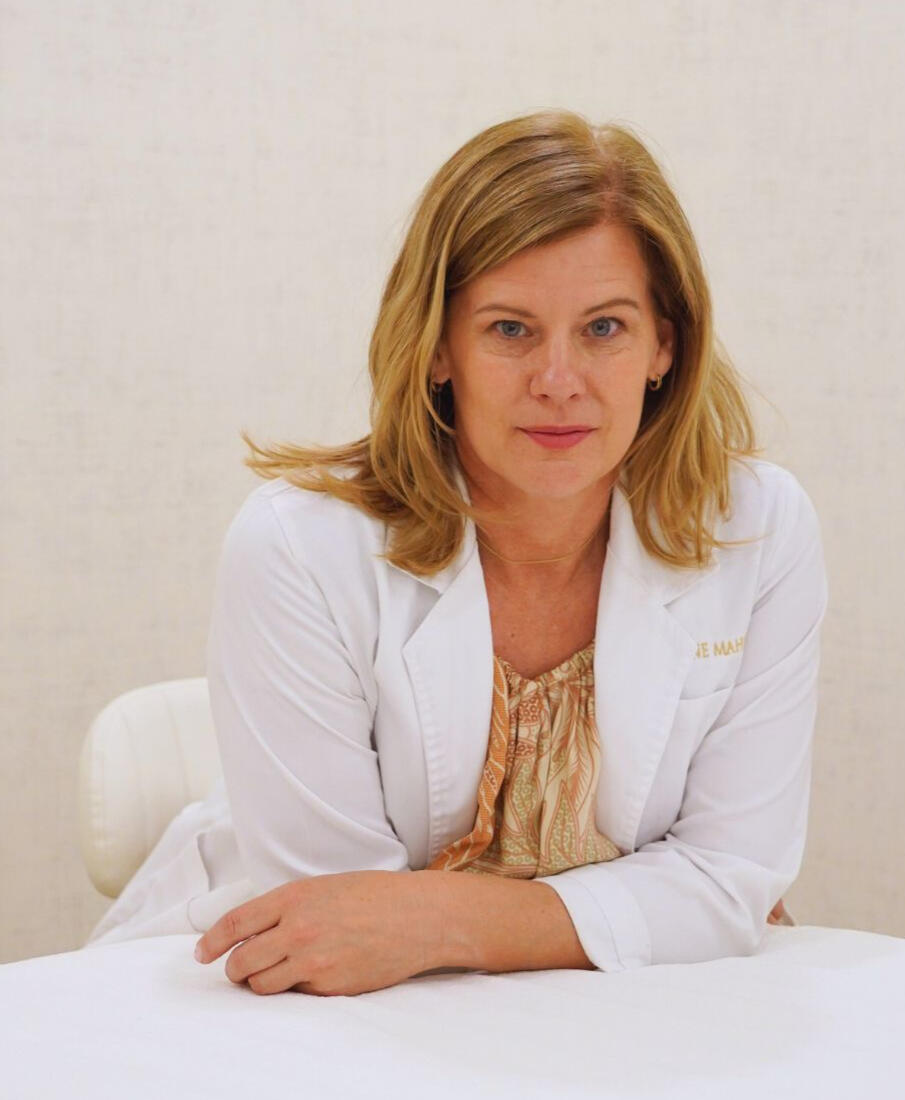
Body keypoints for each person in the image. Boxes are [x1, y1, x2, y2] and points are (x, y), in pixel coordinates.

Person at [84, 108, 829, 996]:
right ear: (438, 347)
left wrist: (435, 918)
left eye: (604, 328)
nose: (559, 382)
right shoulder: (297, 546)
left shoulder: (759, 529)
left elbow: (731, 882)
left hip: (603, 1012)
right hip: (275, 1005)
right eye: (510, 329)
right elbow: (335, 927)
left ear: (663, 345)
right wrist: (654, 908)